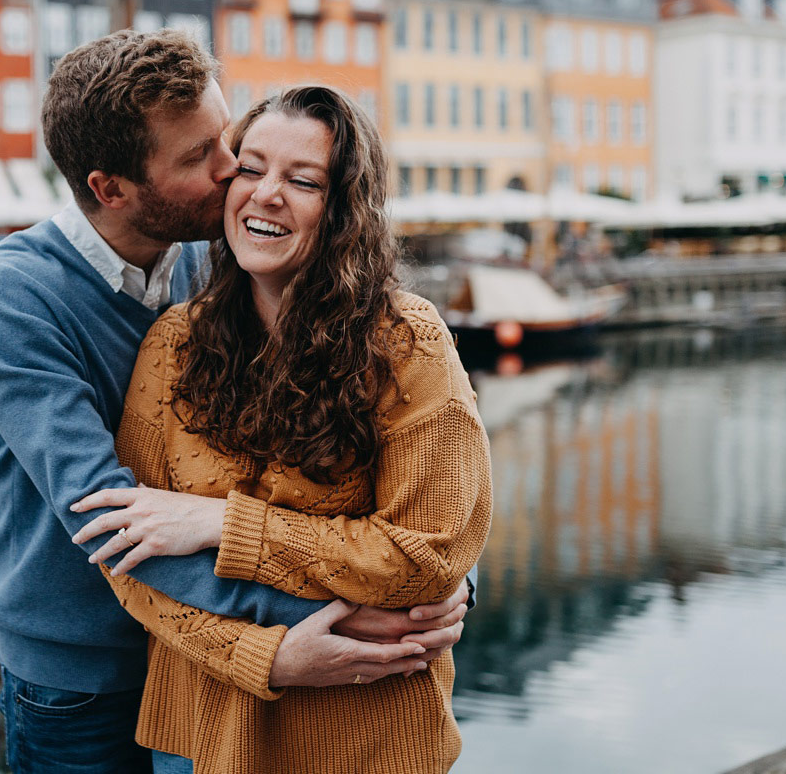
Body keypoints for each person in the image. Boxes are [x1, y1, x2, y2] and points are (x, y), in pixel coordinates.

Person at [0, 31, 472, 774]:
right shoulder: (14, 297)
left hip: (202, 666)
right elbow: (106, 514)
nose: (235, 172)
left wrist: (440, 588)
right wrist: (304, 634)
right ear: (112, 189)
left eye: (225, 139)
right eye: (203, 158)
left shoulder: (218, 258)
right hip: (83, 674)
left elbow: (429, 491)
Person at [69, 85, 493, 773]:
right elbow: (129, 558)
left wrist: (215, 525)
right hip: (197, 741)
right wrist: (269, 658)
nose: (266, 194)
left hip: (362, 741)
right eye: (251, 167)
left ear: (344, 210)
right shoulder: (173, 342)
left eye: (303, 181)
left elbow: (429, 556)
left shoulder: (406, 342)